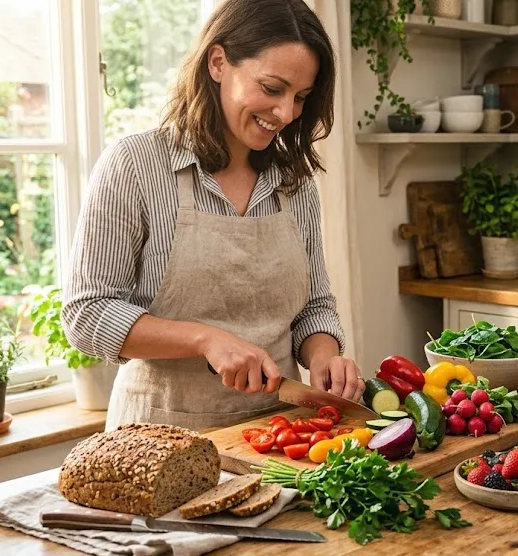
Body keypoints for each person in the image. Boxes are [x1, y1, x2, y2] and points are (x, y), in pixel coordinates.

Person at [61, 0, 364, 432]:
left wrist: (324, 357)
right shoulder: (135, 165)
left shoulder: (294, 183)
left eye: (300, 97)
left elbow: (313, 307)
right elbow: (86, 314)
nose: (285, 113)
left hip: (281, 435)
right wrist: (205, 339)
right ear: (218, 62)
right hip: (158, 436)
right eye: (272, 88)